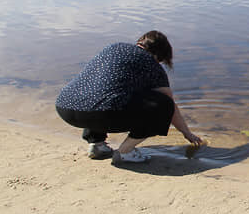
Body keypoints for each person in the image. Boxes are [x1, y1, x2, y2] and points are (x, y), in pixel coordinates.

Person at [55, 30, 203, 164]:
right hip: (99, 113)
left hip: (65, 107)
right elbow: (170, 105)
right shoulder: (151, 63)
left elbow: (99, 88)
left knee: (101, 94)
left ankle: (97, 145)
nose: (160, 64)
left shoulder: (114, 48)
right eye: (161, 61)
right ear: (158, 55)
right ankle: (125, 152)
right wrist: (187, 133)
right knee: (163, 105)